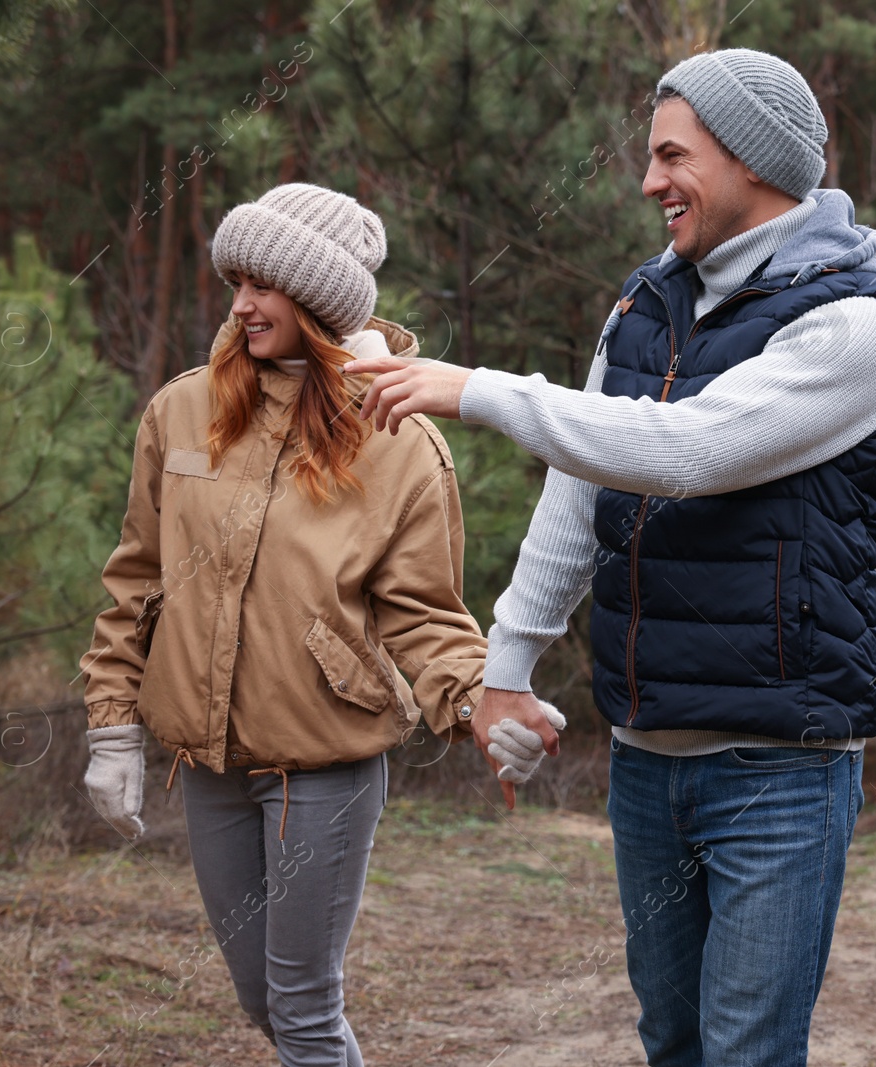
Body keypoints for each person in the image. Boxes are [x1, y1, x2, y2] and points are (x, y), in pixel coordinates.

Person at [343, 49, 876, 1067]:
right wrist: (504, 672)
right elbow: (582, 486)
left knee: (745, 1051)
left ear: (750, 156)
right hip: (647, 762)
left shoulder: (852, 321)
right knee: (674, 1040)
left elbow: (683, 453)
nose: (650, 181)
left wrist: (472, 386)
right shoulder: (648, 301)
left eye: (671, 155)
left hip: (779, 769)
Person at [77, 183, 562, 1067]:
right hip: (209, 765)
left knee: (301, 1008)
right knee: (262, 1001)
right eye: (237, 280)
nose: (240, 304)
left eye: (264, 284)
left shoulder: (398, 437)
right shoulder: (181, 411)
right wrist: (112, 724)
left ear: (320, 302)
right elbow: (136, 580)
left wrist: (482, 702)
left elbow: (424, 614)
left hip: (324, 768)